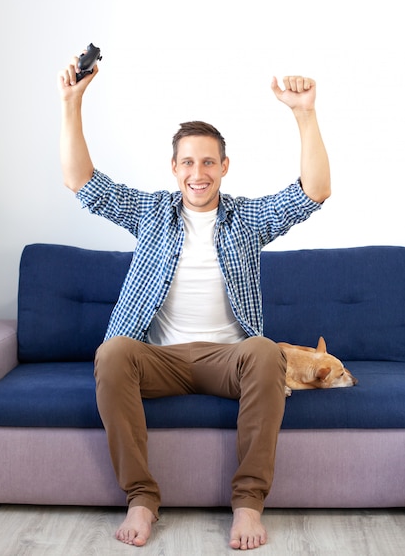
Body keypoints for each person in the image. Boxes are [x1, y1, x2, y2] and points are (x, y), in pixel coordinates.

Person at [57, 55, 331, 551]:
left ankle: (248, 505)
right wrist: (72, 101)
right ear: (174, 167)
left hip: (229, 359)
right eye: (188, 161)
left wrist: (304, 114)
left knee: (267, 350)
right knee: (113, 351)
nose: (197, 172)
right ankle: (141, 499)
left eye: (208, 161)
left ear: (224, 167)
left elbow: (314, 192)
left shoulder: (246, 218)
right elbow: (82, 183)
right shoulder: (152, 213)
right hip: (159, 359)